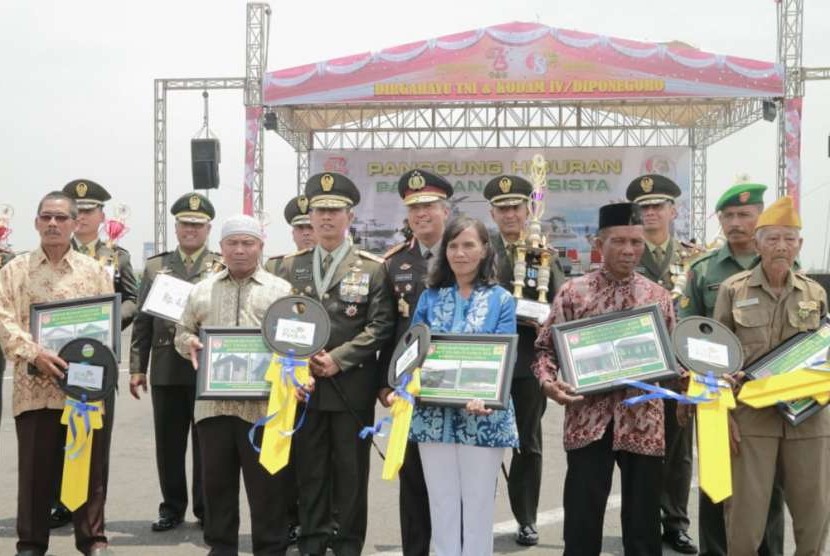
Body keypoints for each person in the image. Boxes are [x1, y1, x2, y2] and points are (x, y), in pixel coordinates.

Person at [533, 202, 676, 556]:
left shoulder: (658, 297)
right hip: (588, 420)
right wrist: (549, 383)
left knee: (643, 526)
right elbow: (543, 350)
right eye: (618, 241)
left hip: (643, 422)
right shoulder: (574, 292)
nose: (629, 250)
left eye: (636, 242)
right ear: (599, 243)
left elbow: (673, 360)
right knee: (582, 523)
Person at [275, 172, 395, 556]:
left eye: (335, 211)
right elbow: (275, 323)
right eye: (320, 211)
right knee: (308, 472)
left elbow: (381, 326)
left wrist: (338, 359)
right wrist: (299, 361)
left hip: (350, 389)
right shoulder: (287, 266)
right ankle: (311, 543)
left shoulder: (373, 268)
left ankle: (347, 545)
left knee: (350, 475)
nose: (326, 218)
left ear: (350, 216)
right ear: (309, 216)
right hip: (303, 388)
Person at [713, 196, 830, 555]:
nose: (782, 246)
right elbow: (716, 358)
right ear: (758, 242)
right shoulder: (734, 290)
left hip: (809, 420)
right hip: (752, 418)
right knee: (745, 520)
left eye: (789, 238)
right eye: (773, 238)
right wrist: (724, 417)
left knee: (814, 516)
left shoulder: (815, 293)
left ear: (800, 244)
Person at [0, 191, 114, 556]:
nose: (53, 223)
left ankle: (93, 539)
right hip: (34, 388)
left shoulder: (95, 271)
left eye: (61, 218)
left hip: (82, 391)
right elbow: (4, 321)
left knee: (88, 468)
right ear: (35, 222)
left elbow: (106, 331)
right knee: (34, 472)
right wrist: (34, 351)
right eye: (46, 217)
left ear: (74, 223)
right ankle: (31, 544)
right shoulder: (15, 270)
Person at [175, 214, 295, 555]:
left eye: (248, 243)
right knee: (216, 486)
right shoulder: (201, 290)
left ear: (260, 247)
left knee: (268, 487)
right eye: (233, 243)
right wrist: (190, 345)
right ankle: (221, 546)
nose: (240, 250)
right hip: (212, 409)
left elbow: (295, 344)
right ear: (222, 247)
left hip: (264, 410)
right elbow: (181, 332)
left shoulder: (280, 290)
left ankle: (271, 548)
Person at [398, 215, 518, 556]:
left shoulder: (501, 300)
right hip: (433, 417)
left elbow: (503, 355)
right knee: (441, 502)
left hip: (483, 416)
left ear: (484, 251)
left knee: (479, 504)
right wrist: (403, 384)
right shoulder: (429, 297)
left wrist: (484, 395)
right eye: (453, 245)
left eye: (469, 245)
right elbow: (414, 350)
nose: (460, 253)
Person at [679, 180, 785, 556]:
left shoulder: (781, 262)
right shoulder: (704, 270)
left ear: (760, 217)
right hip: (714, 392)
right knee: (715, 486)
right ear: (720, 221)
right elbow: (687, 330)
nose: (736, 222)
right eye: (728, 216)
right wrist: (708, 386)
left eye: (744, 214)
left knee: (768, 484)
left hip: (767, 393)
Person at [129, 193, 223, 532]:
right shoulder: (157, 267)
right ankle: (171, 507)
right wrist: (138, 367)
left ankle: (205, 507)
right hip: (167, 367)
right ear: (176, 226)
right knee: (168, 444)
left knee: (207, 446)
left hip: (207, 369)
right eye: (185, 224)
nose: (190, 230)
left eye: (197, 225)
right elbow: (142, 322)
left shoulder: (221, 264)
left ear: (208, 228)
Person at [51, 178, 139, 529]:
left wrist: (110, 323)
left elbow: (133, 299)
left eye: (89, 211)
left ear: (102, 215)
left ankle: (91, 506)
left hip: (99, 361)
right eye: (77, 211)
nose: (82, 217)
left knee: (96, 434)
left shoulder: (116, 257)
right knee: (61, 433)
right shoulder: (53, 251)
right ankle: (60, 502)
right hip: (59, 360)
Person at [484, 173, 566, 546]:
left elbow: (562, 301)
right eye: (501, 209)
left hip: (528, 361)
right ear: (492, 212)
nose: (509, 215)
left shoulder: (542, 249)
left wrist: (543, 315)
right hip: (486, 361)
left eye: (515, 207)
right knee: (479, 442)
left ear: (528, 209)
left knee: (527, 444)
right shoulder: (479, 249)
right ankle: (477, 513)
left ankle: (526, 518)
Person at [378, 169, 452, 556]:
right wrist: (384, 385)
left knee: (456, 479)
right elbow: (385, 330)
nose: (421, 214)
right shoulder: (392, 263)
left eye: (428, 206)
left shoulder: (470, 252)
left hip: (458, 384)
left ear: (445, 209)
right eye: (413, 208)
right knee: (414, 478)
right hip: (409, 389)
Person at [625, 174, 699, 554]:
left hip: (681, 372)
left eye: (658, 205)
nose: (651, 212)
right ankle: (642, 522)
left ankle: (675, 522)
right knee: (637, 450)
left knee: (679, 451)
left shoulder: (694, 259)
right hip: (637, 369)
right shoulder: (625, 254)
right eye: (644, 207)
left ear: (673, 210)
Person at [265, 195, 316, 274]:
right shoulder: (276, 267)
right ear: (293, 234)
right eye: (300, 228)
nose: (306, 233)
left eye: (311, 227)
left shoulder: (336, 264)